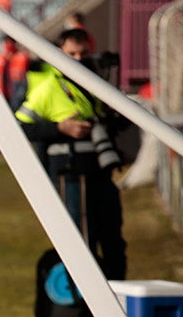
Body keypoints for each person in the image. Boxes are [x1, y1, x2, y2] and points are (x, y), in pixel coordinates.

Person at [15, 27, 127, 280]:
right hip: (71, 175)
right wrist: (59, 128)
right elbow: (18, 126)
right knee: (81, 243)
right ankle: (85, 311)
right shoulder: (48, 87)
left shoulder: (97, 81)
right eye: (71, 54)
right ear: (58, 54)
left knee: (113, 242)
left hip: (100, 171)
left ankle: (119, 302)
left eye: (83, 53)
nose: (78, 60)